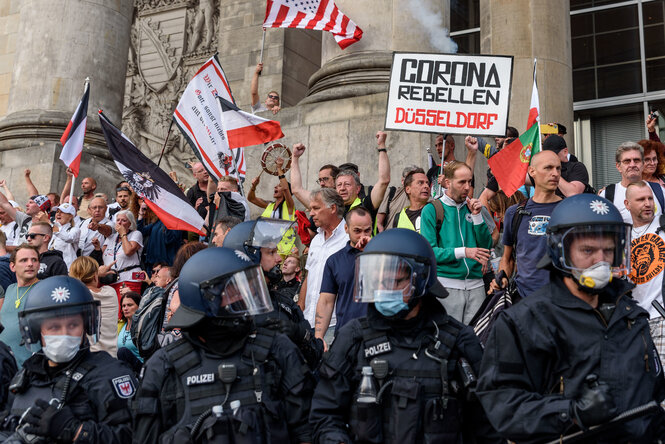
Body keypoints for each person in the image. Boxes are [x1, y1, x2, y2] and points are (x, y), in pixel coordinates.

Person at [477, 193, 665, 442]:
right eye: (587, 250)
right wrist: (571, 412)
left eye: (608, 250)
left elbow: (653, 395)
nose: (601, 260)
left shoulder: (631, 314)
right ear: (560, 250)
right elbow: (502, 405)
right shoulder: (524, 321)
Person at [310, 228, 500, 443]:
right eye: (379, 282)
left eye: (396, 281)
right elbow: (325, 415)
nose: (384, 291)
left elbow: (488, 425)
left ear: (420, 280)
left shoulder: (458, 340)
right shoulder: (353, 338)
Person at [132, 247, 313, 442]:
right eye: (235, 290)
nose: (246, 297)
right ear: (205, 297)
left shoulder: (277, 350)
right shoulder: (164, 366)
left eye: (249, 288)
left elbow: (306, 431)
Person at [0, 276, 136, 442]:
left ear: (86, 325)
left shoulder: (110, 375)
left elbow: (134, 435)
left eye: (73, 325)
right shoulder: (24, 379)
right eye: (54, 327)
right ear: (37, 331)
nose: (64, 333)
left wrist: (77, 431)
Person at [224, 218, 323, 369]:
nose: (278, 259)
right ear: (249, 257)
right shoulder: (226, 309)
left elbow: (316, 356)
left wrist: (298, 333)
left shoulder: (285, 304)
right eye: (271, 252)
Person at [421, 161, 493, 324]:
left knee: (476, 341)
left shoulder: (473, 207)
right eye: (462, 182)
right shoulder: (432, 209)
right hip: (447, 286)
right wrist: (464, 252)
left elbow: (486, 247)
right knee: (448, 342)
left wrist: (477, 216)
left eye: (469, 181)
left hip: (476, 287)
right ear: (447, 182)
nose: (467, 187)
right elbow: (430, 252)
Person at [489, 150, 563, 298]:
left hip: (561, 301)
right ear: (532, 171)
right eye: (548, 168)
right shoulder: (514, 213)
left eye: (558, 168)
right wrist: (502, 277)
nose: (555, 173)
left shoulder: (570, 210)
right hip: (524, 299)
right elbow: (508, 258)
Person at [315, 207, 372, 348]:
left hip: (377, 334)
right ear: (346, 229)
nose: (362, 235)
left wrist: (375, 250)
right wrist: (318, 338)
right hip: (346, 336)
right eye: (357, 231)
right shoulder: (334, 261)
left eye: (367, 230)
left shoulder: (383, 255)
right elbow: (326, 301)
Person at [299, 189, 349, 337]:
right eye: (310, 209)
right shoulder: (316, 240)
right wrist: (300, 308)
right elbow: (309, 276)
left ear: (333, 208)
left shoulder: (348, 239)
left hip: (335, 324)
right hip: (308, 322)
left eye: (316, 208)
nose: (311, 214)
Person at [335, 131, 391, 226]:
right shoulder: (331, 210)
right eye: (339, 185)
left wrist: (381, 145)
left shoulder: (365, 205)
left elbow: (384, 181)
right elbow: (299, 190)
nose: (342, 188)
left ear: (358, 188)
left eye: (347, 184)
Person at [600, 141, 663, 224]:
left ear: (643, 164)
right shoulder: (607, 195)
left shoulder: (659, 190)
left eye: (636, 160)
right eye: (627, 161)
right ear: (618, 166)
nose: (632, 165)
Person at [69, 256, 118, 357]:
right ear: (95, 276)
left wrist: (96, 274)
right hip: (112, 358)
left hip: (89, 360)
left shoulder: (77, 296)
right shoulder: (111, 293)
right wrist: (96, 274)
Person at [248, 157, 297, 256]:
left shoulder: (289, 206)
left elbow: (285, 188)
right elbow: (251, 199)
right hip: (268, 248)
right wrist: (254, 186)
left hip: (284, 250)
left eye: (278, 186)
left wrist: (279, 168)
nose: (275, 187)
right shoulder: (270, 205)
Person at [0, 244, 39, 367]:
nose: (30, 264)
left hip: (30, 371)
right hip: (6, 369)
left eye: (34, 260)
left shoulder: (45, 290)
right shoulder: (11, 288)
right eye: (24, 260)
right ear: (12, 266)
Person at [100, 210, 144, 299]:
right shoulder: (111, 237)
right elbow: (104, 256)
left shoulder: (136, 234)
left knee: (127, 307)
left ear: (130, 223)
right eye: (118, 220)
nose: (119, 222)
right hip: (112, 279)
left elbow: (128, 251)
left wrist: (123, 234)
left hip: (131, 277)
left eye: (123, 220)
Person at [289, 142, 339, 208]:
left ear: (336, 180)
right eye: (320, 180)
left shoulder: (345, 200)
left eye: (325, 179)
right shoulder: (318, 200)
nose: (322, 184)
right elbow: (296, 190)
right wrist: (295, 157)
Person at [136, 202, 182, 274]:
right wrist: (141, 213)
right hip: (152, 264)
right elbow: (141, 232)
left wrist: (167, 222)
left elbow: (169, 240)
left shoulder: (176, 222)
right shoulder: (157, 220)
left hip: (165, 266)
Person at [376, 165, 422, 232]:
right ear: (402, 181)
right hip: (391, 237)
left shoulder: (425, 197)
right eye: (410, 179)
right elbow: (379, 222)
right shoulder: (391, 193)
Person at [117, 291, 143, 374]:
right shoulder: (120, 325)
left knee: (123, 351)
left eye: (130, 305)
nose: (125, 308)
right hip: (126, 369)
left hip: (141, 369)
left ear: (139, 307)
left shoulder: (143, 326)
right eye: (123, 306)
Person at [49, 202, 80, 268]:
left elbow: (69, 238)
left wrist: (50, 224)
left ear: (70, 216)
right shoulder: (51, 228)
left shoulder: (75, 230)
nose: (58, 214)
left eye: (62, 212)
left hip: (67, 267)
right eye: (57, 212)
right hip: (51, 265)